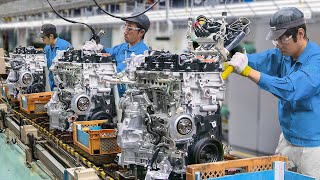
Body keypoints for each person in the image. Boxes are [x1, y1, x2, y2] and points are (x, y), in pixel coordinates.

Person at [227, 7, 320, 179]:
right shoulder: (285, 55)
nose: (278, 45)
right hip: (287, 139)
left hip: (313, 149)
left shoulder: (316, 62)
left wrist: (247, 71)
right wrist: (241, 60)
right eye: (275, 40)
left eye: (282, 39)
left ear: (300, 33)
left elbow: (290, 88)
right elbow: (266, 59)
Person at [104, 11, 150, 96]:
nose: (125, 32)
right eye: (125, 27)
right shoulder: (123, 47)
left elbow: (124, 76)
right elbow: (107, 52)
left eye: (129, 29)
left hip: (130, 100)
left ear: (141, 32)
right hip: (115, 95)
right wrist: (97, 47)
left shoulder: (143, 55)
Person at [39, 23, 71, 91]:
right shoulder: (46, 48)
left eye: (44, 38)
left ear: (51, 36)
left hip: (65, 86)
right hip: (52, 85)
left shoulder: (66, 46)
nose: (42, 40)